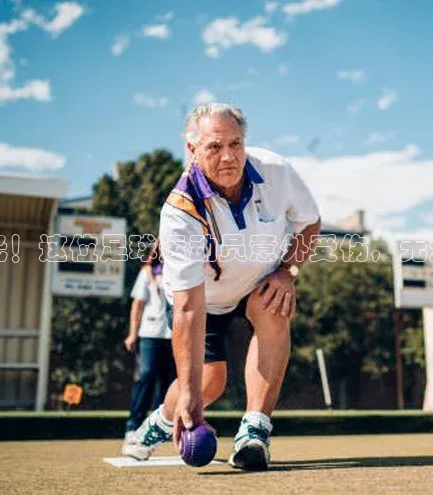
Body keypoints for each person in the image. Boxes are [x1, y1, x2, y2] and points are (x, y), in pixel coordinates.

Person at [123, 102, 321, 471]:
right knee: (209, 381)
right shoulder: (180, 213)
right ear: (192, 150)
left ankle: (254, 431)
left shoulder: (276, 171)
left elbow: (310, 223)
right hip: (204, 298)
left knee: (274, 304)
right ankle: (158, 423)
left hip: (258, 280)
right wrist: (192, 396)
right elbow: (188, 308)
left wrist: (287, 270)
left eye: (236, 144)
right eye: (215, 147)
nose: (229, 156)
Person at [121, 240, 175, 454]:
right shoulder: (146, 273)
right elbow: (138, 305)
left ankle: (160, 428)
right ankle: (132, 427)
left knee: (167, 382)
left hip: (173, 334)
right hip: (150, 333)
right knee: (147, 375)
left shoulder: (179, 270)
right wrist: (133, 333)